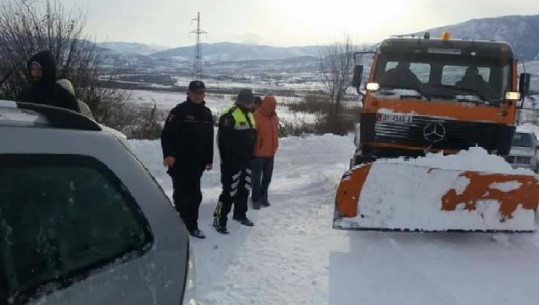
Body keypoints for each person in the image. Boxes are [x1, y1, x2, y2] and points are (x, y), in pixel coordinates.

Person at [161, 80, 214, 239]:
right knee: (182, 197)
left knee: (195, 197)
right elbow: (167, 135)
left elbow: (209, 138)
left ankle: (192, 226)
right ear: (189, 93)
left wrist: (209, 159)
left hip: (197, 164)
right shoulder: (179, 111)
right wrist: (168, 154)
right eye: (195, 93)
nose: (198, 96)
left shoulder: (206, 112)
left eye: (201, 93)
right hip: (180, 163)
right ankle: (180, 227)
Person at [213, 89, 257, 234]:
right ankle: (219, 219)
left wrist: (251, 156)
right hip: (232, 164)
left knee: (244, 190)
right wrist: (228, 162)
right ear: (242, 101)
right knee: (228, 192)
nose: (251, 104)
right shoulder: (229, 116)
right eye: (249, 102)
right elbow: (223, 143)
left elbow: (252, 137)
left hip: (247, 161)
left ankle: (240, 215)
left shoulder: (250, 115)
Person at [251, 95, 279, 209]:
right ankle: (255, 198)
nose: (273, 108)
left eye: (274, 106)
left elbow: (275, 132)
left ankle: (264, 196)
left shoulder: (274, 116)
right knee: (256, 179)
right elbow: (251, 136)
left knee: (267, 177)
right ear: (266, 105)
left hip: (271, 153)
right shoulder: (256, 116)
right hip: (259, 154)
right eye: (272, 106)